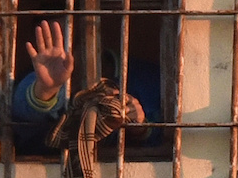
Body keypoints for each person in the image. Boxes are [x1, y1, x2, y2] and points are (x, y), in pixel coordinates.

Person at [12, 20, 159, 155]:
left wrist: (141, 128)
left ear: (92, 40)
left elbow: (166, 137)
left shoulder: (148, 78)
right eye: (47, 47)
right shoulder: (38, 78)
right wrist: (46, 90)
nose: (60, 56)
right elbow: (21, 115)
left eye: (69, 43)